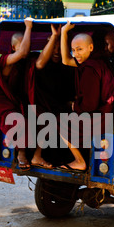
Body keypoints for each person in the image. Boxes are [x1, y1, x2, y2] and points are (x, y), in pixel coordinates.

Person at [60, 22, 114, 171]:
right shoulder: (97, 62)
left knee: (60, 123)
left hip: (99, 118)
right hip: (106, 115)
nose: (76, 54)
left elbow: (89, 105)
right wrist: (63, 33)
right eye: (73, 50)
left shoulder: (90, 69)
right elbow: (65, 60)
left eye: (79, 49)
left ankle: (79, 160)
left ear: (91, 48)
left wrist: (74, 106)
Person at [0, 18, 33, 169]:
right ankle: (21, 153)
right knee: (19, 121)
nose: (27, 47)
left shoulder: (26, 61)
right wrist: (29, 27)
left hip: (16, 99)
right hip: (1, 101)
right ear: (13, 47)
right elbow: (23, 52)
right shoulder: (6, 60)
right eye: (22, 43)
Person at [30, 24, 75, 168]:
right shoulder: (41, 61)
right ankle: (35, 155)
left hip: (59, 106)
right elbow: (39, 64)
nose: (56, 51)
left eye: (59, 47)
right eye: (53, 47)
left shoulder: (68, 65)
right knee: (51, 120)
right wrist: (55, 35)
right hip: (40, 107)